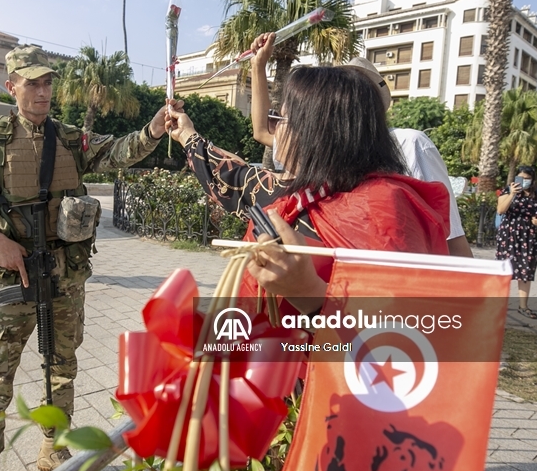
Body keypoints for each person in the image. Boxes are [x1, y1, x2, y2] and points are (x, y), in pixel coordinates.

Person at [0, 45, 169, 471]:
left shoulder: (70, 139)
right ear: (12, 87)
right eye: (32, 83)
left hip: (65, 276)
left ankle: (54, 446)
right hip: (13, 275)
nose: (42, 91)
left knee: (62, 364)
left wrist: (155, 127)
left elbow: (122, 150)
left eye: (48, 83)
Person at [167, 52, 451, 314]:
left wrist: (310, 294)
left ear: (317, 128)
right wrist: (186, 135)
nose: (273, 129)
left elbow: (403, 334)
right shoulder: (294, 194)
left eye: (280, 118)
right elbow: (233, 177)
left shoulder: (385, 209)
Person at [250, 35, 472, 258]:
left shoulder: (409, 144)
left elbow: (450, 236)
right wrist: (258, 65)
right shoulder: (320, 146)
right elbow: (262, 131)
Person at [495, 165, 537, 319]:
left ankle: (523, 306)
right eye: (520, 178)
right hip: (509, 235)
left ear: (533, 179)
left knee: (526, 270)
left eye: (527, 178)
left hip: (530, 236)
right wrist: (512, 193)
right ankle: (498, 304)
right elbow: (501, 209)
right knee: (504, 269)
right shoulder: (508, 191)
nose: (523, 181)